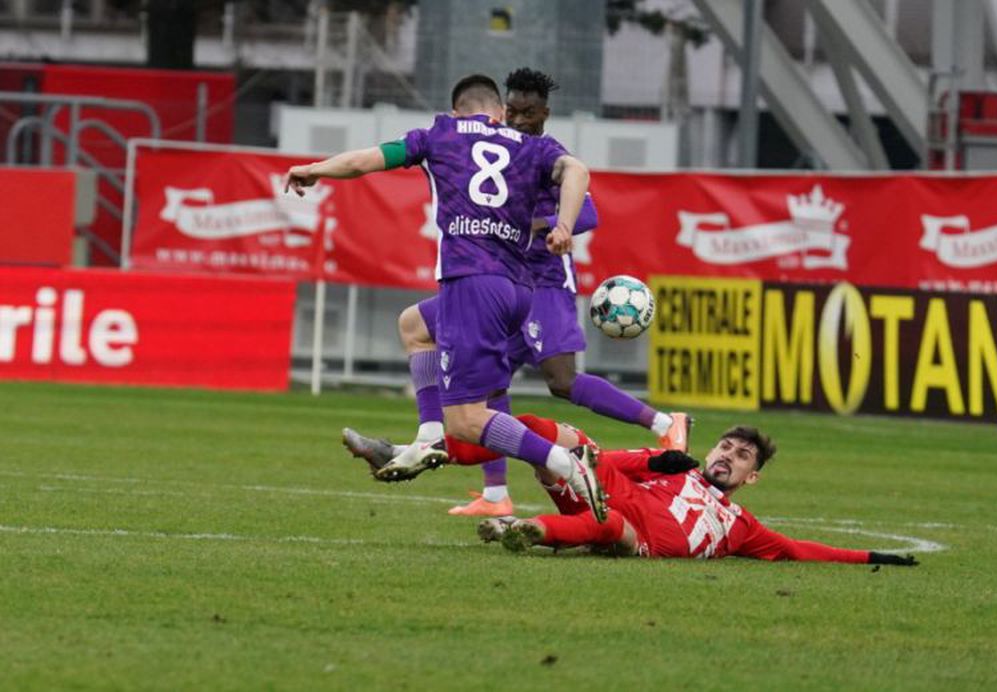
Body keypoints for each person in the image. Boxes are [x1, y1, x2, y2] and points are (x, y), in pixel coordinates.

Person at [287, 74, 607, 522]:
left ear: (459, 111)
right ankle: (431, 438)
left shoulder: (442, 132)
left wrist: (316, 169)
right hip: (517, 291)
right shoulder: (531, 145)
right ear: (499, 111)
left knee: (469, 421)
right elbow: (578, 171)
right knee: (414, 327)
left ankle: (563, 463)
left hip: (470, 283)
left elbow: (368, 160)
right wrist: (565, 226)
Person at [393, 67, 690, 518]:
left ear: (544, 114)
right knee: (477, 378)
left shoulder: (547, 156)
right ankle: (495, 495)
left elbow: (588, 212)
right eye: (512, 109)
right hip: (499, 285)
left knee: (562, 381)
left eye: (528, 112)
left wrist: (543, 226)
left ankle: (664, 423)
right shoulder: (500, 148)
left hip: (543, 284)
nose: (518, 118)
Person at [343, 419, 919, 566]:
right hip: (608, 491)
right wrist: (647, 458)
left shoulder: (743, 529)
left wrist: (874, 556)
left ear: (752, 479)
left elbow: (799, 550)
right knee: (544, 431)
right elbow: (602, 463)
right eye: (725, 447)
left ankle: (523, 530)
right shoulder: (675, 470)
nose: (726, 457)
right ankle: (414, 453)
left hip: (633, 532)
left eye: (741, 457)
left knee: (609, 528)